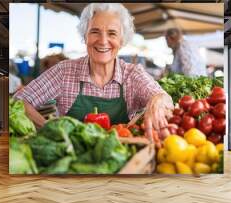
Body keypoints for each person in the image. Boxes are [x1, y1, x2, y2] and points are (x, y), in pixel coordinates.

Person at [14, 3, 173, 139]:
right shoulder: (64, 71)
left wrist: (159, 99)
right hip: (71, 161)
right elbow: (18, 102)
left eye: (112, 33)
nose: (103, 41)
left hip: (122, 160)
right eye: (95, 31)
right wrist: (46, 129)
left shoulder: (132, 75)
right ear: (85, 36)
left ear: (121, 40)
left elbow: (165, 99)